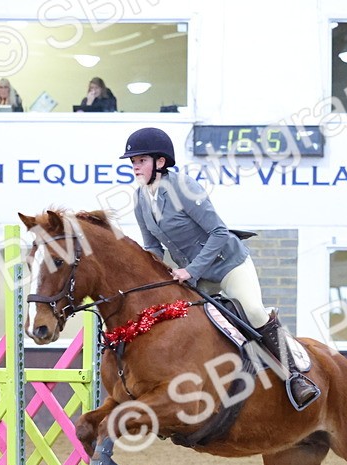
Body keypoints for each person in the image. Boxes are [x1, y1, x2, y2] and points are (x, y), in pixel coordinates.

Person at [121, 127, 320, 409]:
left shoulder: (184, 188)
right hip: (195, 276)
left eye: (140, 160)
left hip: (228, 265)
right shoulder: (140, 199)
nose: (135, 166)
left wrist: (190, 271)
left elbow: (219, 233)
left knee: (252, 311)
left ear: (160, 162)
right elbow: (152, 247)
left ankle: (296, 377)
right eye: (133, 162)